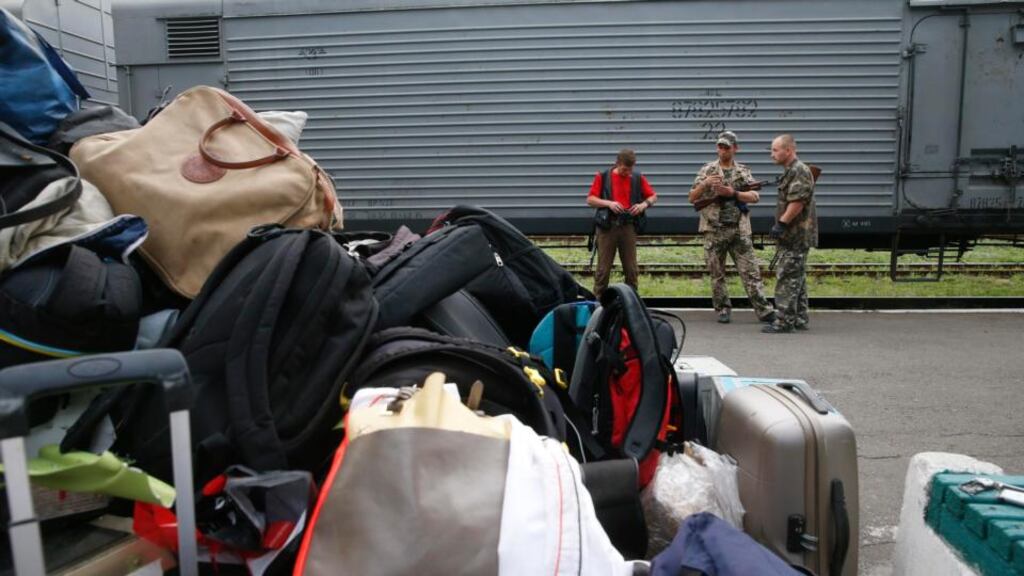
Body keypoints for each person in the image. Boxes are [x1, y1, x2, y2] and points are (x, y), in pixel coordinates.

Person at [689, 131, 775, 325]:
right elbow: (692, 198)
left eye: (726, 147)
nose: (722, 150)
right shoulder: (707, 170)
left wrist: (733, 193)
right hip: (714, 229)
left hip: (739, 230)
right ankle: (722, 309)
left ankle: (764, 310)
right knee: (716, 274)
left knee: (751, 271)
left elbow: (755, 197)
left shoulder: (743, 171)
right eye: (720, 146)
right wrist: (705, 184)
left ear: (735, 148)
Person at [763, 134, 817, 334]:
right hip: (795, 235)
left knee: (787, 276)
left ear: (789, 150)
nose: (772, 155)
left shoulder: (798, 171)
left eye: (775, 150)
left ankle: (784, 321)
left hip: (795, 235)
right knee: (797, 278)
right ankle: (800, 318)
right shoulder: (792, 171)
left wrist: (782, 224)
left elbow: (797, 201)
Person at [587, 149, 657, 297]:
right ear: (617, 164)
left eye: (631, 169)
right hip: (608, 227)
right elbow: (590, 199)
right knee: (603, 269)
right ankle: (598, 301)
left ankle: (632, 300)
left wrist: (643, 205)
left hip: (628, 226)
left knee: (631, 269)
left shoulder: (637, 178)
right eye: (625, 169)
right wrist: (609, 203)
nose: (628, 173)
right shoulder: (603, 176)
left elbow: (653, 196)